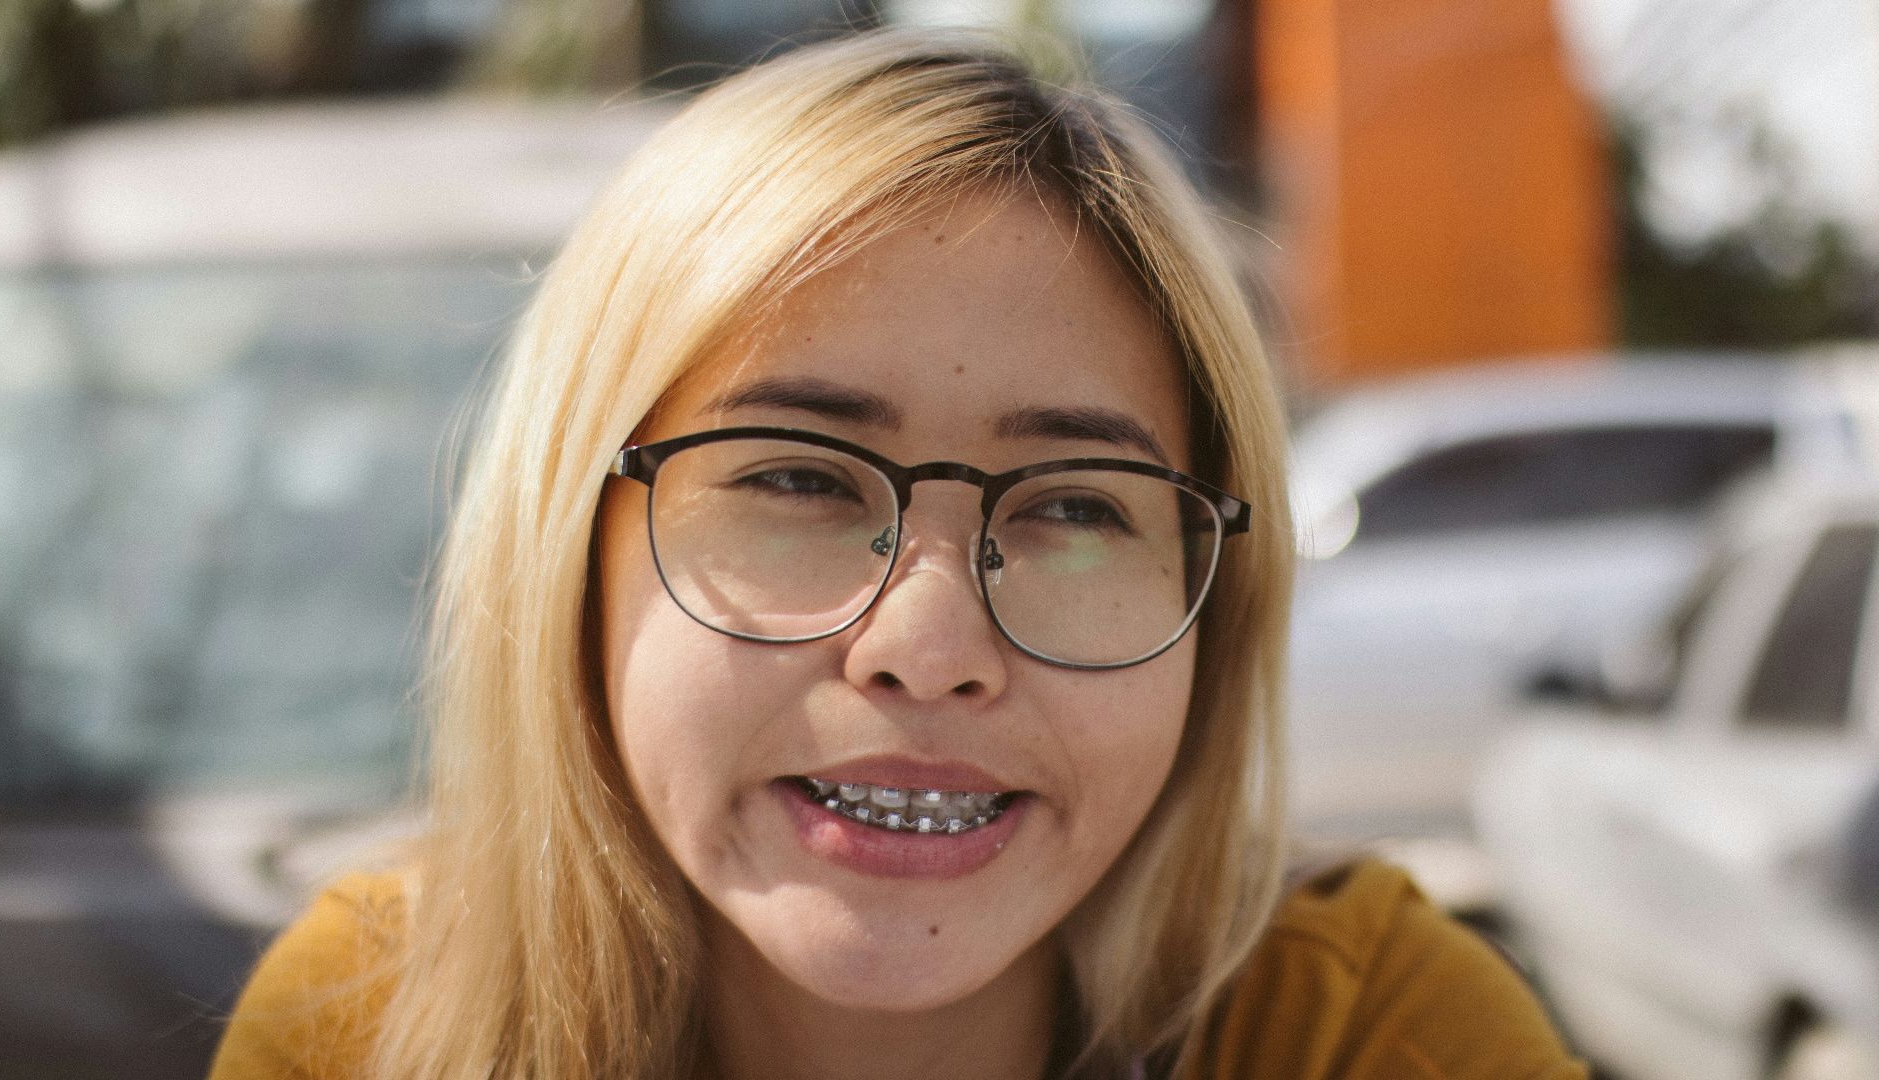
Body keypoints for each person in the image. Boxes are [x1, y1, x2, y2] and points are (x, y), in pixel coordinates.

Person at [210, 28, 1587, 1080]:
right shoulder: (370, 1027)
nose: (926, 648)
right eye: (801, 478)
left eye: (1073, 505)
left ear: (1209, 593)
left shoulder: (1373, 1034)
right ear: (571, 547)